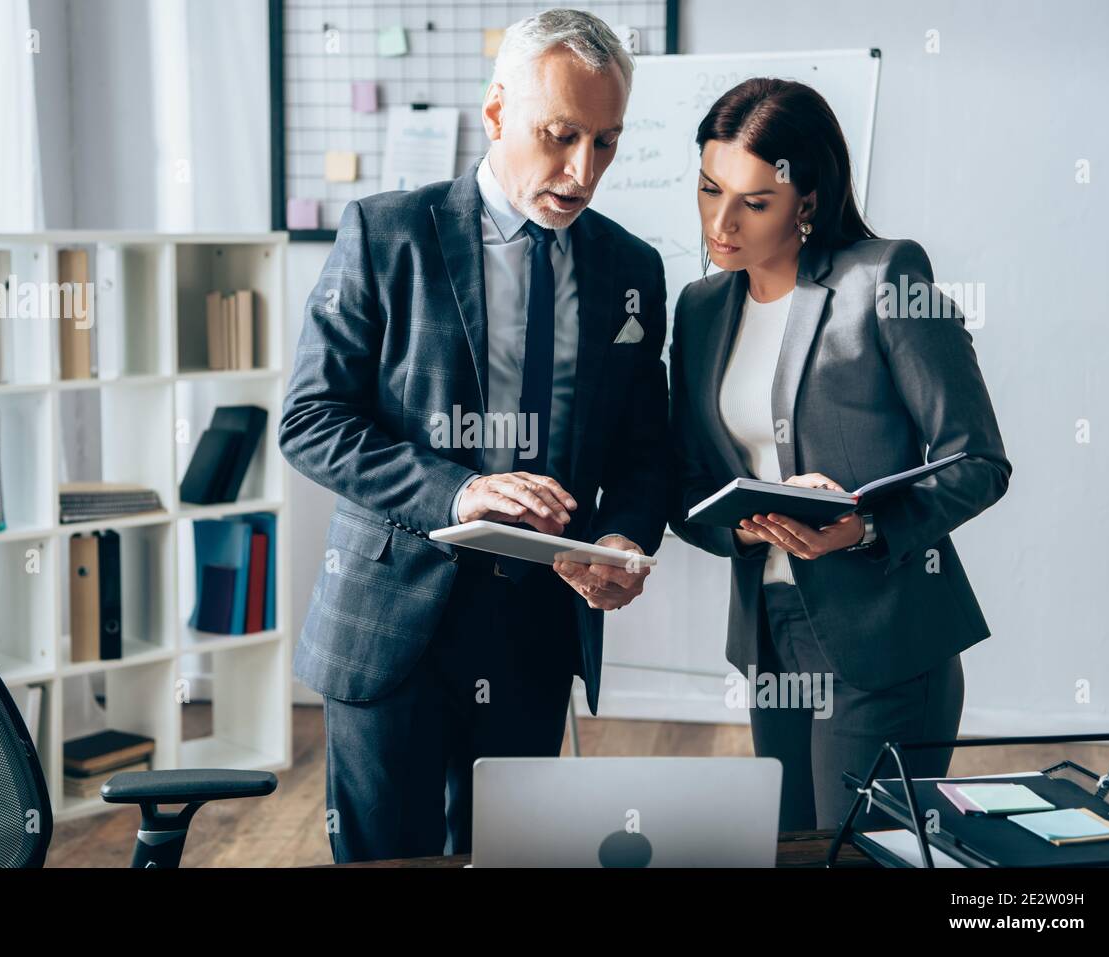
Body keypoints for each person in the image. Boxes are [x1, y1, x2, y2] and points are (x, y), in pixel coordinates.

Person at [279, 9, 669, 863]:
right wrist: (457, 491)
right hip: (389, 624)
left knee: (508, 857)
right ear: (496, 114)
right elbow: (310, 421)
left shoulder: (631, 269)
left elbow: (646, 448)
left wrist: (619, 538)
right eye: (560, 135)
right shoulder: (386, 234)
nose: (581, 171)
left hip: (536, 626)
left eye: (605, 142)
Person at [668, 77, 1011, 831]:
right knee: (789, 845)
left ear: (808, 200)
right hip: (770, 632)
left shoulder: (882, 280)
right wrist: (747, 525)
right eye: (708, 188)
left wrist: (860, 525)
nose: (720, 222)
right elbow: (685, 487)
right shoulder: (698, 309)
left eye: (755, 202)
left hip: (885, 633)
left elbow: (977, 460)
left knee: (857, 850)